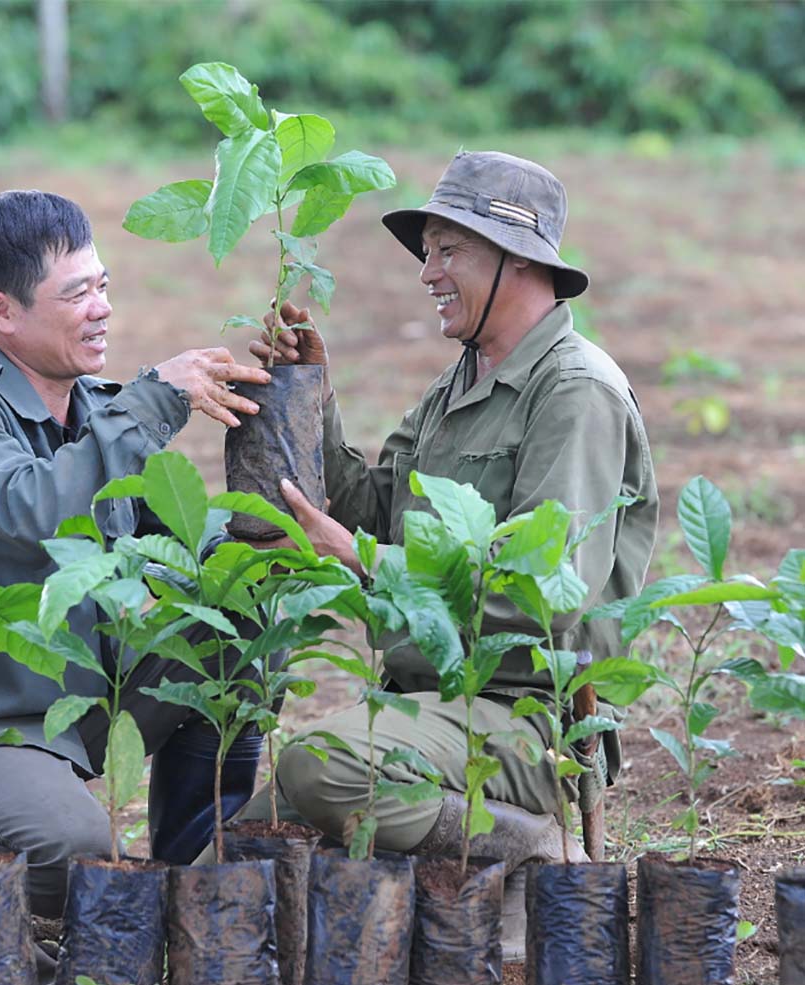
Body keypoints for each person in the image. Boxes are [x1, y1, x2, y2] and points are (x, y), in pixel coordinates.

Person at [0, 189, 272, 929]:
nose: (101, 308)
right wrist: (154, 403)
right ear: (3, 313)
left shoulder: (94, 410)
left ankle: (192, 887)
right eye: (76, 293)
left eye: (103, 285)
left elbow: (180, 541)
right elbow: (35, 510)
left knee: (232, 632)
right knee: (77, 851)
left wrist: (259, 543)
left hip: (65, 717)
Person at [241, 150, 659, 889]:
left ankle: (524, 843)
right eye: (427, 252)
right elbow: (371, 508)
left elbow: (548, 592)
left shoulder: (575, 394)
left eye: (448, 251)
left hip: (521, 718)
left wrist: (364, 559)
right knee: (249, 834)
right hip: (433, 706)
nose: (427, 273)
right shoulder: (458, 383)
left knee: (321, 766)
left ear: (518, 261)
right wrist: (311, 393)